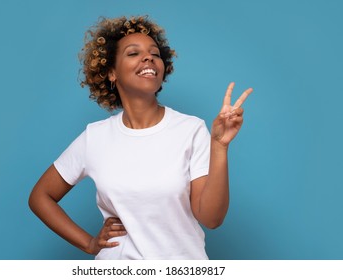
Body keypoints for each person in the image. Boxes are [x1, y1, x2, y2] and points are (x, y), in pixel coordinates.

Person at [28, 15, 252, 260]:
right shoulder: (95, 137)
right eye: (133, 53)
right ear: (111, 72)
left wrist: (219, 146)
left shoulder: (191, 129)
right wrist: (89, 244)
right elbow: (41, 197)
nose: (149, 58)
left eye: (155, 53)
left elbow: (211, 219)